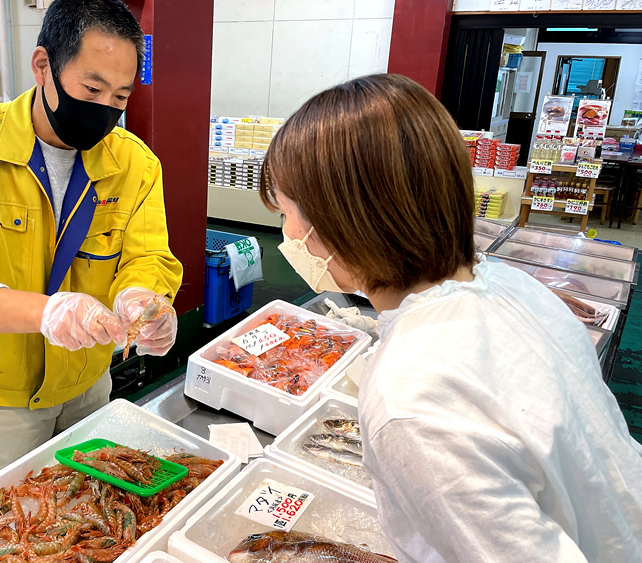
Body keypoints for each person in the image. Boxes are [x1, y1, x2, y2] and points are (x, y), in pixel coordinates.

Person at [260, 73, 642, 562]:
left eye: (286, 213)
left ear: (340, 223)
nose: (286, 233)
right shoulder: (509, 284)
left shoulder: (410, 400)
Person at [0, 0, 182, 481]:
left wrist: (144, 298)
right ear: (42, 66)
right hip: (3, 392)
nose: (104, 109)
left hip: (88, 378)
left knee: (94, 505)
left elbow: (148, 255)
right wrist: (46, 313)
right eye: (92, 88)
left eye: (119, 98)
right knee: (18, 519)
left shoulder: (135, 163)